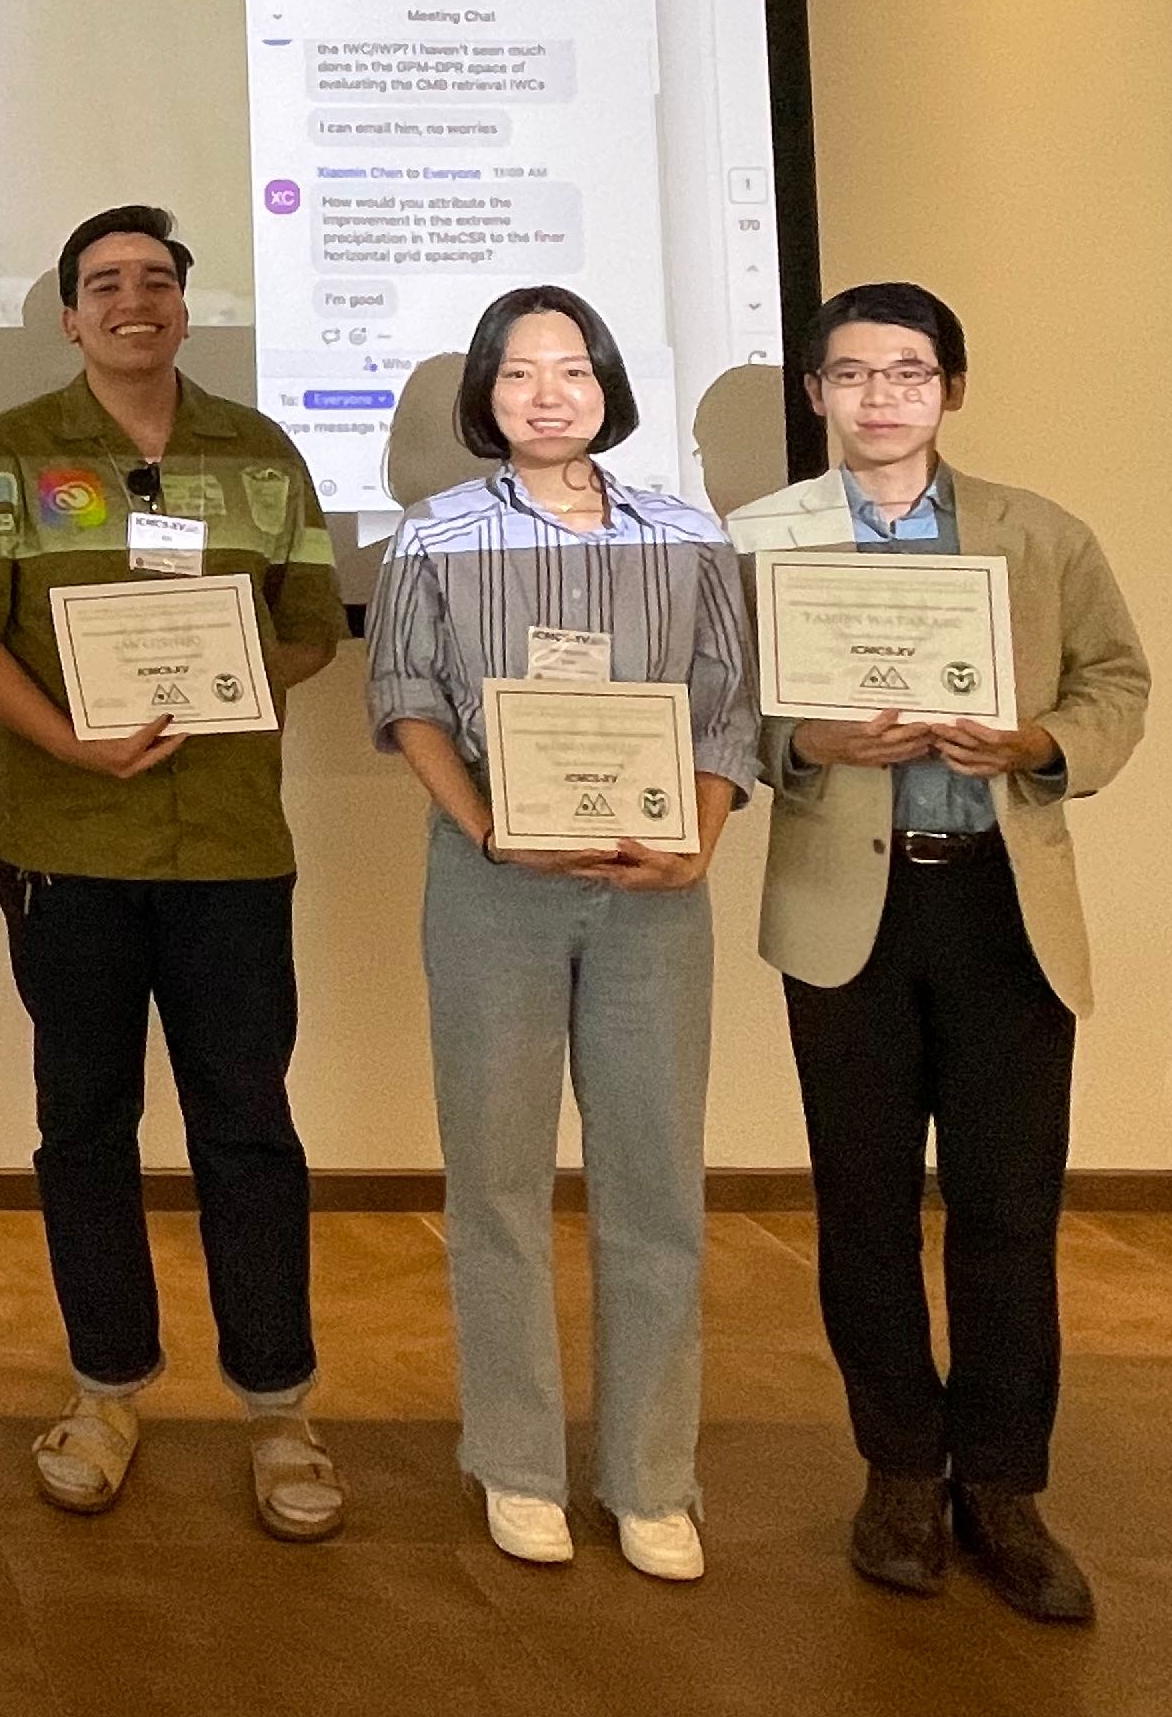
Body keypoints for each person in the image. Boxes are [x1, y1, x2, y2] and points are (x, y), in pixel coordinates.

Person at [0, 205, 352, 1539]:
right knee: (83, 1127)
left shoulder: (260, 455)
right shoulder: (7, 456)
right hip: (64, 847)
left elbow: (313, 627)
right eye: (105, 284)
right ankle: (106, 1388)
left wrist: (220, 683)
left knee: (248, 1127)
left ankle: (281, 1406)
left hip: (227, 851)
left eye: (156, 280)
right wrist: (68, 739)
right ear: (69, 315)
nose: (132, 301)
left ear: (184, 307)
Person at [737, 282, 1149, 1627]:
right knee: (862, 1211)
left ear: (950, 390)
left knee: (1009, 1211)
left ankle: (1009, 1491)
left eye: (907, 372)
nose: (879, 397)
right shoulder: (760, 539)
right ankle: (900, 1473)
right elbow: (711, 708)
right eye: (850, 375)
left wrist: (1036, 746)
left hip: (1002, 905)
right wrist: (810, 743)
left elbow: (1116, 683)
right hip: (847, 903)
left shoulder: (1043, 535)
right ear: (815, 395)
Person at [367, 287, 752, 1582]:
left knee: (654, 1187)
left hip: (654, 893)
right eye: (520, 372)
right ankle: (518, 1462)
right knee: (496, 1185)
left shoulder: (688, 534)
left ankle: (653, 1478)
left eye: (572, 370)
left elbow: (726, 708)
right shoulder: (435, 539)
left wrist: (695, 840)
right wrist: (488, 829)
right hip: (494, 889)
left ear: (608, 387)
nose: (547, 393)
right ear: (486, 396)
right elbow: (409, 700)